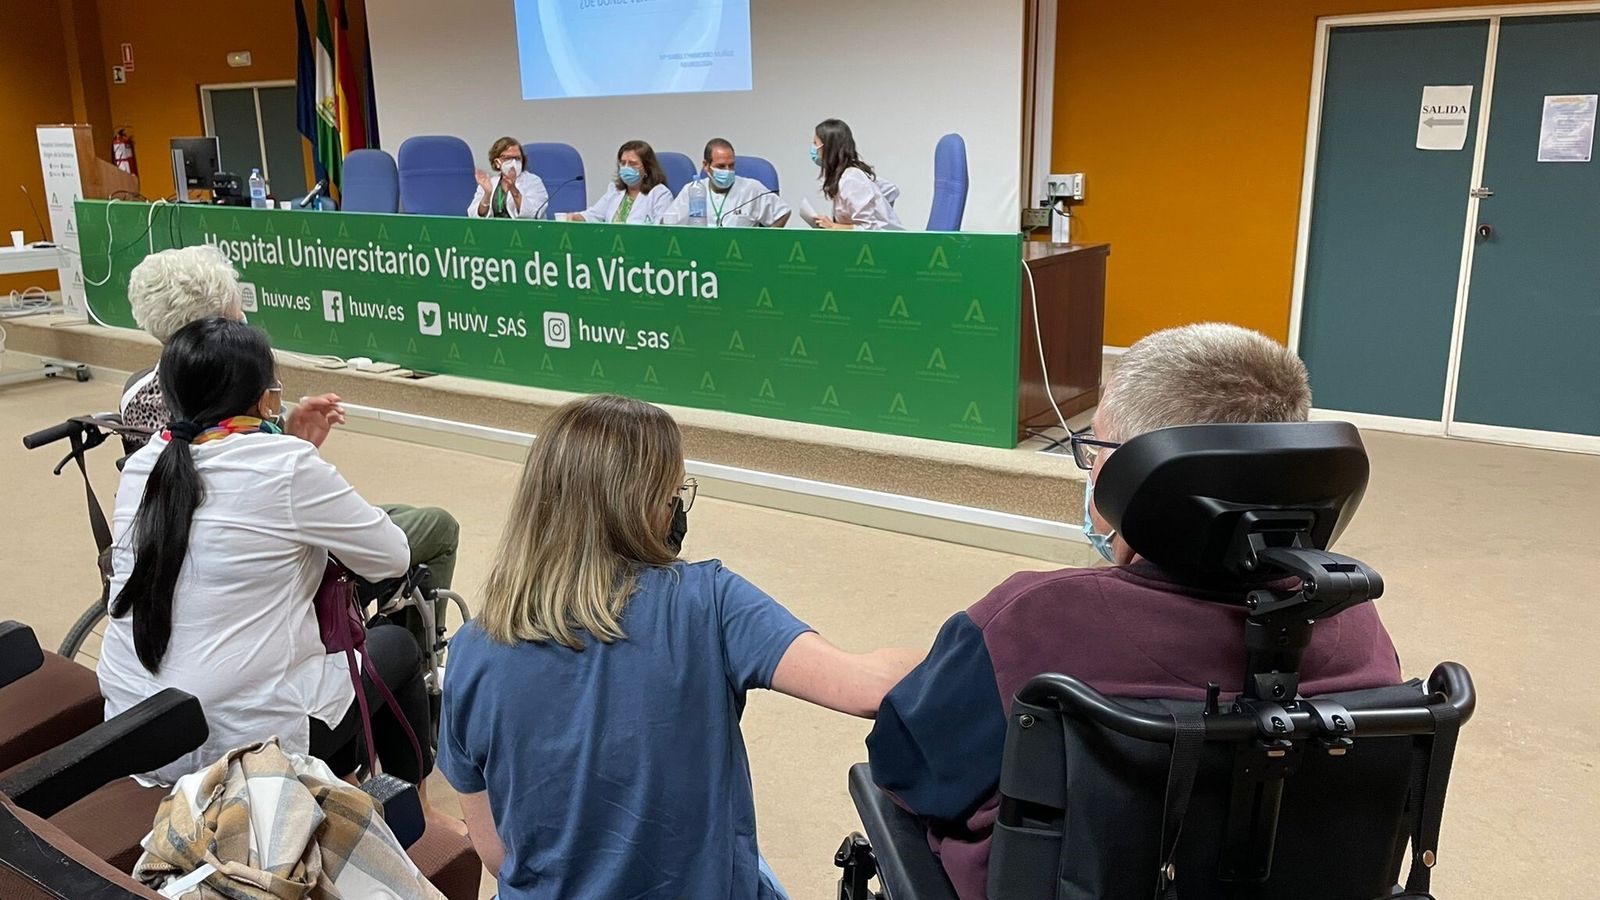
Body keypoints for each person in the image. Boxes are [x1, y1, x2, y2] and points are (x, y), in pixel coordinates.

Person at [866, 323, 1404, 900]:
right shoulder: (1356, 621)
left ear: (1140, 472)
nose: (1090, 471)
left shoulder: (1035, 618)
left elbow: (907, 767)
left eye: (1095, 451)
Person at [438, 393, 924, 900]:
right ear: (647, 503)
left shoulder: (473, 648)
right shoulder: (708, 600)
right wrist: (980, 635)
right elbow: (869, 688)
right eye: (674, 495)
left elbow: (498, 854)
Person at [98, 316, 438, 792]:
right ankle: (412, 820)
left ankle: (338, 782)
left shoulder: (145, 463)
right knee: (397, 649)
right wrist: (295, 450)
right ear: (263, 398)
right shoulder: (286, 465)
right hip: (233, 750)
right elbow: (391, 557)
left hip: (136, 728)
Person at [121, 245, 461, 591]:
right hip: (266, 564)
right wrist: (290, 446)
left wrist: (287, 434)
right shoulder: (248, 412)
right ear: (217, 334)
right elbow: (267, 493)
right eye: (239, 317)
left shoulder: (138, 402)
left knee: (394, 516)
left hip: (185, 557)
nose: (245, 322)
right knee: (435, 527)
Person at [661, 138, 791, 227]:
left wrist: (763, 242)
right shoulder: (693, 190)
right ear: (706, 166)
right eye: (721, 166)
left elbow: (782, 213)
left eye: (731, 165)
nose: (728, 171)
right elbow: (666, 224)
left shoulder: (751, 189)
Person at [811, 118, 903, 231]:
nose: (814, 149)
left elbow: (869, 229)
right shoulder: (847, 176)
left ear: (829, 147)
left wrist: (832, 226)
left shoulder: (852, 179)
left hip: (882, 245)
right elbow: (890, 190)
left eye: (816, 144)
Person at [565, 140, 673, 224]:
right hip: (611, 248)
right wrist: (575, 217)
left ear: (647, 168)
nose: (626, 167)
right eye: (623, 163)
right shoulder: (615, 191)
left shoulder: (660, 194)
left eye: (632, 164)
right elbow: (595, 215)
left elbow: (662, 231)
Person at [469, 136, 549, 219]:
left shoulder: (533, 181)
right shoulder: (490, 183)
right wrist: (487, 194)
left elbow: (534, 214)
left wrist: (514, 190)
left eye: (517, 158)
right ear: (497, 162)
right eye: (507, 158)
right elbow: (474, 215)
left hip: (523, 230)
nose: (513, 163)